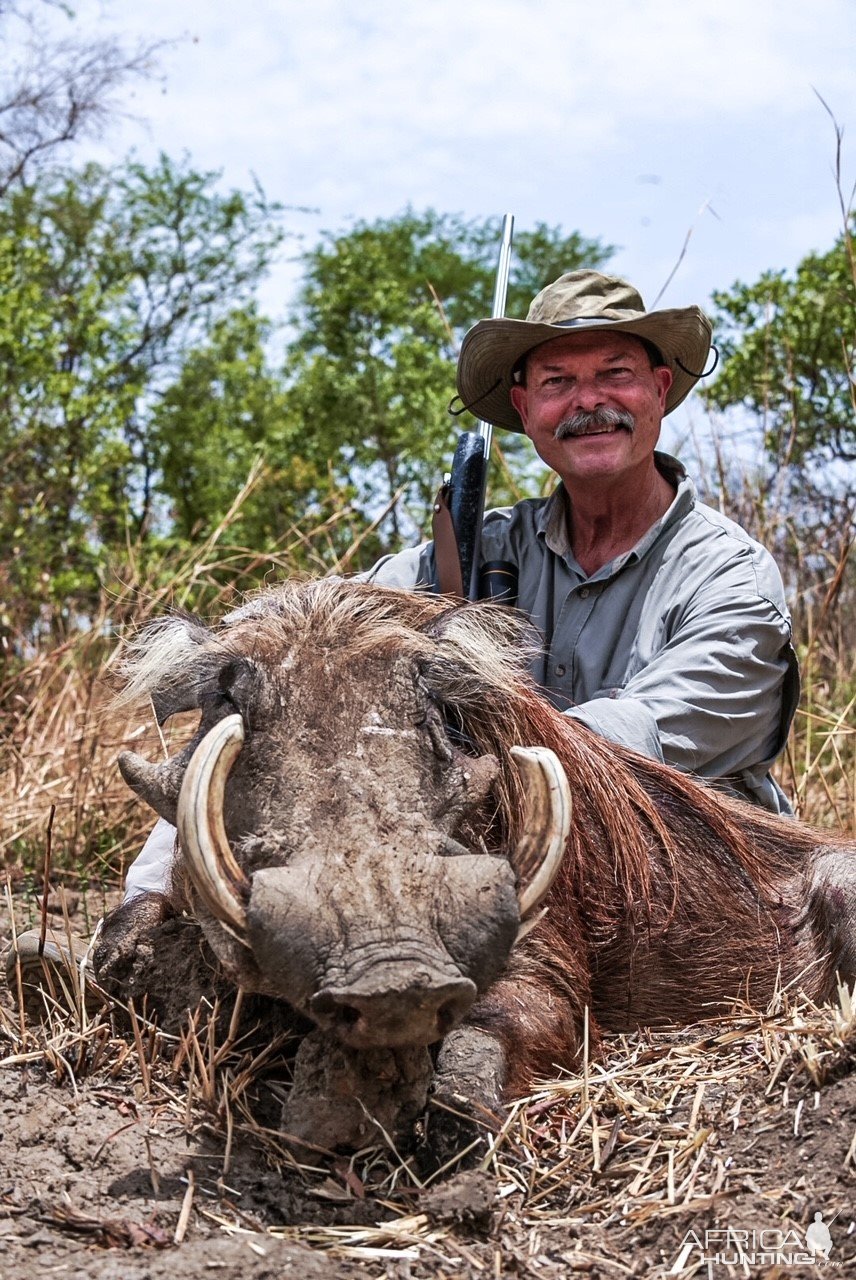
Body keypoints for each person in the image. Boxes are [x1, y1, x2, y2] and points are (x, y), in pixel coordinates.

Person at [123, 269, 797, 904]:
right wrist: (238, 657)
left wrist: (457, 753)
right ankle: (139, 923)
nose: (588, 402)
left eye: (613, 375)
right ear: (525, 406)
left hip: (679, 875)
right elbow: (321, 614)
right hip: (497, 851)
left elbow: (642, 734)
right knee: (254, 715)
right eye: (558, 381)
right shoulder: (488, 543)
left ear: (658, 388)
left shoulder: (729, 574)